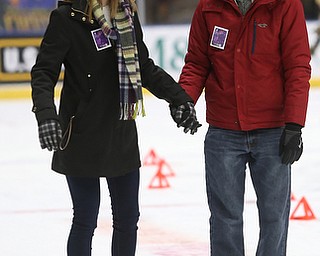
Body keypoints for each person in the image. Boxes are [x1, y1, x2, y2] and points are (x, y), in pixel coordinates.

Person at [31, 0, 201, 255]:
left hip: (120, 131)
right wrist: (46, 115)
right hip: (81, 133)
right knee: (85, 218)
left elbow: (144, 68)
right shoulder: (67, 17)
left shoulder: (127, 15)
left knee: (127, 219)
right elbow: (43, 72)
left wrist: (179, 98)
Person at [174, 0, 311, 255]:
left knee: (274, 218)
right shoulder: (208, 7)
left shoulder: (285, 5)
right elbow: (196, 63)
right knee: (225, 218)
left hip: (273, 131)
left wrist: (294, 125)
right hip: (223, 131)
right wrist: (184, 99)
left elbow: (297, 67)